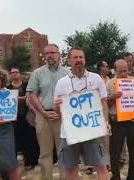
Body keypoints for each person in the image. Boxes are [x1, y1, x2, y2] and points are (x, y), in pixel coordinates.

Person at [54, 47, 110, 180]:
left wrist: (105, 122)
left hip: (93, 130)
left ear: (84, 60)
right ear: (69, 61)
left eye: (81, 57)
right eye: (75, 57)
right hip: (69, 133)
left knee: (101, 166)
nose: (79, 60)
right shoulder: (61, 83)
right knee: (71, 170)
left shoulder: (96, 78)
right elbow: (57, 111)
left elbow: (104, 103)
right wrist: (57, 105)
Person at [27, 44, 69, 180]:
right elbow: (32, 94)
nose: (49, 56)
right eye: (46, 53)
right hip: (43, 116)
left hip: (63, 117)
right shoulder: (37, 73)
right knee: (45, 153)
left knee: (64, 152)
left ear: (59, 54)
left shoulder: (68, 73)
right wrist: (43, 112)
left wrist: (62, 112)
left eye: (52, 52)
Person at [107, 59, 134, 180]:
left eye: (125, 70)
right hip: (117, 121)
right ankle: (115, 176)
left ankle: (133, 176)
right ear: (115, 71)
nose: (123, 73)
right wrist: (113, 97)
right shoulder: (110, 83)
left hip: (132, 121)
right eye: (120, 71)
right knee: (115, 151)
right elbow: (104, 104)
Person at [0, 67, 21, 180]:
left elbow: (12, 116)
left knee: (11, 165)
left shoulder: (10, 94)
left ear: (1, 77)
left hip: (5, 133)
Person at [7, 67, 39, 170]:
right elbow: (9, 100)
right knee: (16, 140)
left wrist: (16, 98)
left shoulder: (27, 85)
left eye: (16, 72)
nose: (14, 74)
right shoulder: (7, 88)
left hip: (27, 116)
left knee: (30, 139)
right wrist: (22, 98)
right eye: (12, 73)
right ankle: (16, 162)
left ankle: (31, 161)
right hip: (14, 118)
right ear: (10, 75)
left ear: (20, 74)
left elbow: (31, 97)